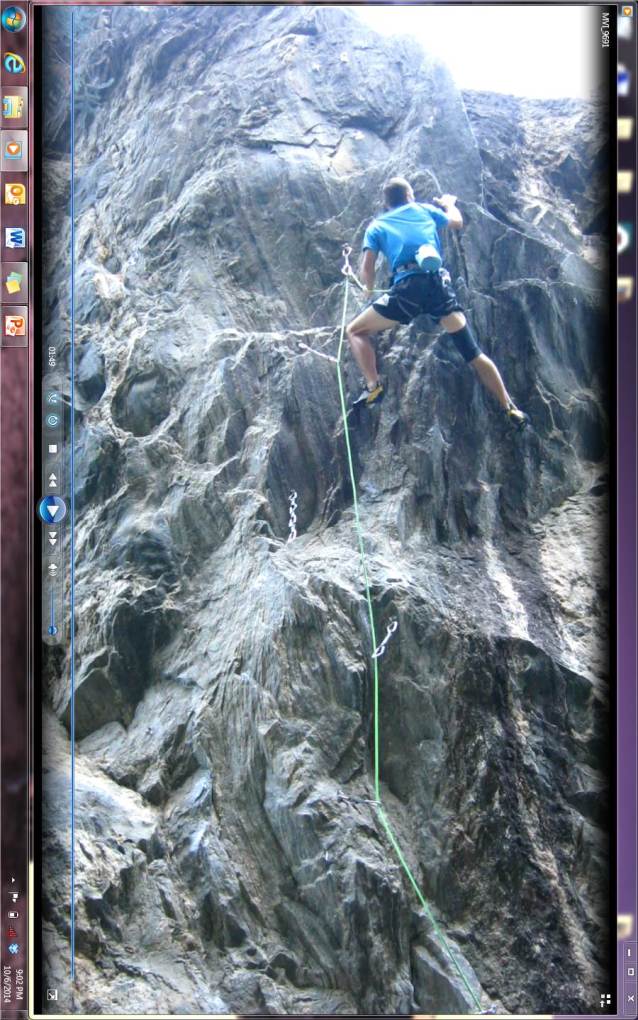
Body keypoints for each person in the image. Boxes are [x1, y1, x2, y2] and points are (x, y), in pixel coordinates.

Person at [346, 176, 527, 428]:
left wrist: (367, 289)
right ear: (410, 195)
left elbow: (368, 267)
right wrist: (448, 203)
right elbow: (457, 221)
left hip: (407, 292)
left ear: (387, 204)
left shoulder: (377, 225)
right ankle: (510, 408)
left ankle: (373, 386)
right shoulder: (424, 209)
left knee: (355, 330)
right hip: (439, 287)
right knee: (473, 352)